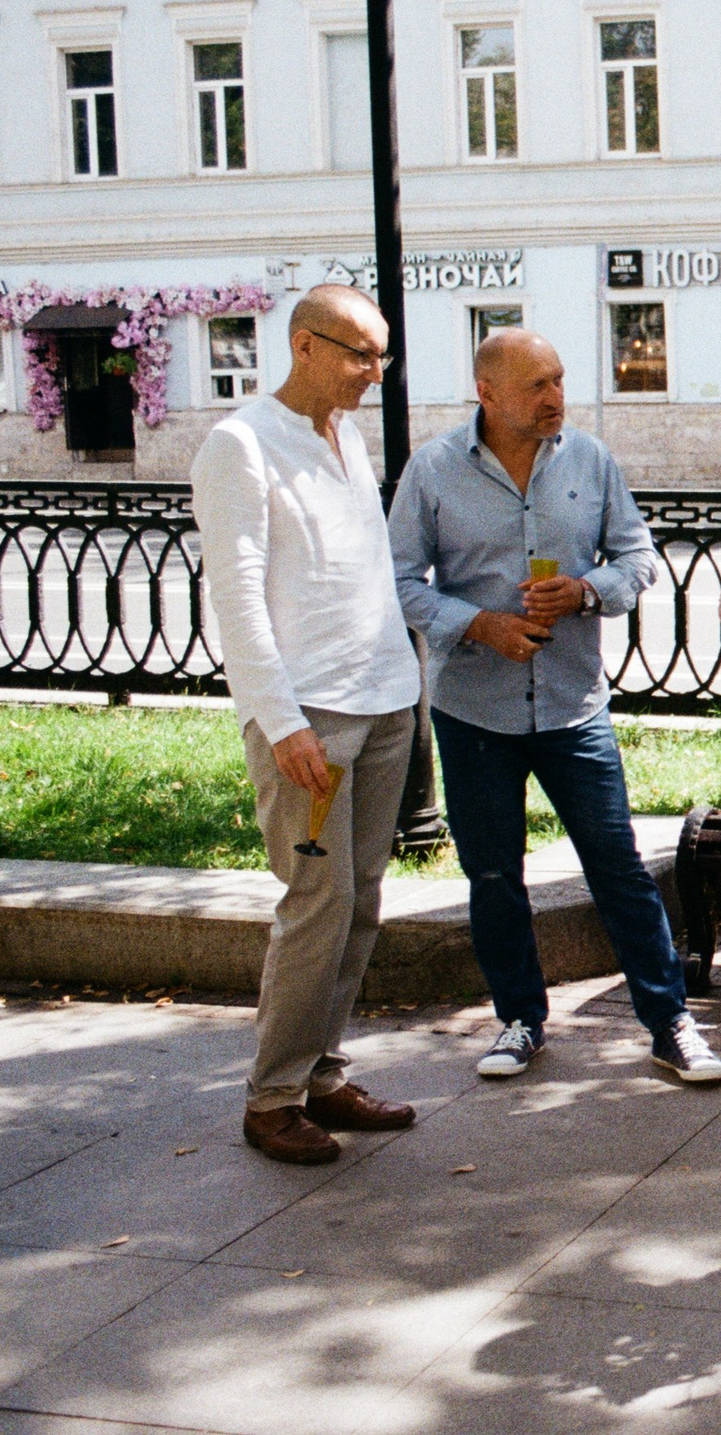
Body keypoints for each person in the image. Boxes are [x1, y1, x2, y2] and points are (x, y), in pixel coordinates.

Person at [388, 329, 721, 1087]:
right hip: (475, 706)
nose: (555, 397)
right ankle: (519, 1019)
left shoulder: (590, 460)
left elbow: (638, 558)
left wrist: (584, 592)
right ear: (488, 393)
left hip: (574, 705)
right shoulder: (435, 470)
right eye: (537, 385)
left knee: (618, 866)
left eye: (559, 380)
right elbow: (402, 580)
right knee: (494, 874)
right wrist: (479, 624)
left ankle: (669, 1020)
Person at [190, 284, 423, 1166]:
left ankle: (323, 1072)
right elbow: (239, 600)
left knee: (360, 901)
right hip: (311, 718)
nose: (375, 372)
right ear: (304, 345)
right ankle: (272, 1096)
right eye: (361, 354)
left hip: (382, 700)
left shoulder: (347, 434)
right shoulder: (240, 446)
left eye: (382, 356)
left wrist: (402, 682)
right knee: (315, 903)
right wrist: (281, 721)